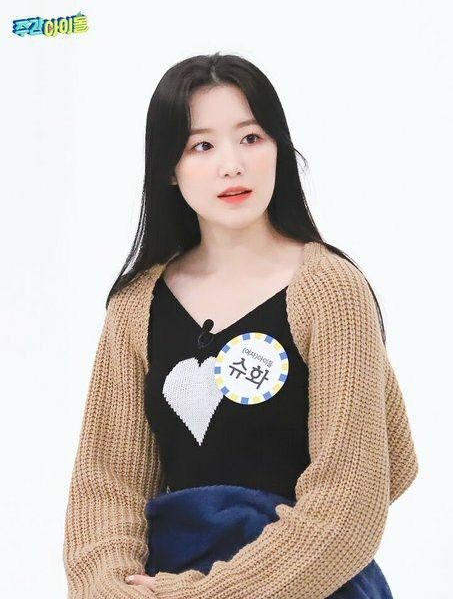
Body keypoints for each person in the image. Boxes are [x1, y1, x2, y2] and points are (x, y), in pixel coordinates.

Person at [62, 52, 418, 599]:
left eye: (251, 138)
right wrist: (110, 587)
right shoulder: (136, 306)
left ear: (280, 149)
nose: (232, 165)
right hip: (164, 584)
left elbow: (349, 503)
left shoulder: (330, 290)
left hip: (309, 585)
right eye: (201, 146)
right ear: (169, 168)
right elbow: (106, 486)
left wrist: (204, 594)